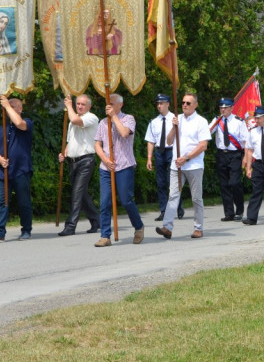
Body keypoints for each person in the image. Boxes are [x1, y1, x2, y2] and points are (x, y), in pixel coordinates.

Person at [156, 92, 210, 239]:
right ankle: (167, 227)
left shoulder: (201, 121)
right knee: (173, 196)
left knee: (196, 198)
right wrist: (174, 128)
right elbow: (168, 141)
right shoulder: (177, 119)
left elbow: (203, 145)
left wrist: (186, 158)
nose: (185, 105)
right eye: (183, 103)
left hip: (194, 166)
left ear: (195, 105)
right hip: (177, 166)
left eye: (188, 103)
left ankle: (198, 228)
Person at [93, 94, 145, 247]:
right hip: (106, 167)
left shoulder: (128, 118)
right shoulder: (103, 123)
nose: (108, 106)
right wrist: (105, 159)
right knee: (105, 201)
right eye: (107, 103)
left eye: (112, 103)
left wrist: (114, 116)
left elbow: (124, 133)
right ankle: (105, 235)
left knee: (126, 200)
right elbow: (97, 144)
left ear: (120, 105)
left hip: (124, 165)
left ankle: (138, 226)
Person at [0, 95, 33, 243]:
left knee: (23, 201)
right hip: (3, 171)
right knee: (1, 201)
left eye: (13, 106)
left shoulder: (27, 123)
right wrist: (0, 159)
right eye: (8, 106)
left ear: (21, 109)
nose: (10, 108)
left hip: (21, 170)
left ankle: (26, 229)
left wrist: (6, 105)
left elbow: (19, 123)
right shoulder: (3, 128)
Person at [57, 94, 100, 236]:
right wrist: (64, 153)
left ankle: (70, 226)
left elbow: (75, 120)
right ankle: (96, 221)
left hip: (86, 160)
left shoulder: (91, 117)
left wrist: (68, 106)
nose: (79, 106)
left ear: (89, 106)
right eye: (78, 104)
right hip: (73, 161)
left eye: (82, 104)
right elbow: (71, 141)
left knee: (76, 193)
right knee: (81, 194)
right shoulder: (72, 120)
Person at [144, 94, 183, 222]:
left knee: (173, 181)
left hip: (172, 151)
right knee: (161, 183)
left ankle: (178, 207)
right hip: (159, 152)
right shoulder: (154, 122)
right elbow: (150, 141)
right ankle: (163, 210)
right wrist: (149, 158)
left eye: (162, 103)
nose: (159, 106)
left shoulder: (176, 119)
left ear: (168, 104)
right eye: (158, 104)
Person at [211, 97, 248, 222]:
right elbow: (207, 132)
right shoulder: (217, 120)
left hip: (235, 155)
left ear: (232, 108)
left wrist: (246, 157)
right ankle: (229, 213)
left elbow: (245, 140)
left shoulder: (239, 121)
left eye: (225, 107)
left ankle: (239, 210)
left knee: (234, 183)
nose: (223, 110)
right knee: (224, 185)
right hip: (222, 154)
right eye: (221, 108)